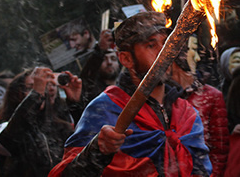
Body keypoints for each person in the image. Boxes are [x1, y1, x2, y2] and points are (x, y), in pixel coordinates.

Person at [49, 11, 212, 176]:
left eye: (165, 43)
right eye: (151, 45)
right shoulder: (104, 109)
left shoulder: (186, 111)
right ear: (126, 59)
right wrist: (96, 150)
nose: (165, 53)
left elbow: (202, 170)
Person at [0, 67, 81, 176]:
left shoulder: (61, 127)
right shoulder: (2, 127)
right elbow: (10, 139)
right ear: (17, 94)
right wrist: (36, 94)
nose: (42, 92)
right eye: (31, 88)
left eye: (43, 87)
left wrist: (75, 104)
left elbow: (84, 146)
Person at [167, 34, 230, 177]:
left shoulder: (211, 96)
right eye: (193, 50)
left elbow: (219, 150)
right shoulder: (161, 95)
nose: (197, 58)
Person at [75, 29, 120, 121]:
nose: (109, 62)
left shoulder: (127, 88)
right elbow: (86, 79)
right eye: (104, 59)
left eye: (113, 58)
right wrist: (100, 50)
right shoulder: (94, 93)